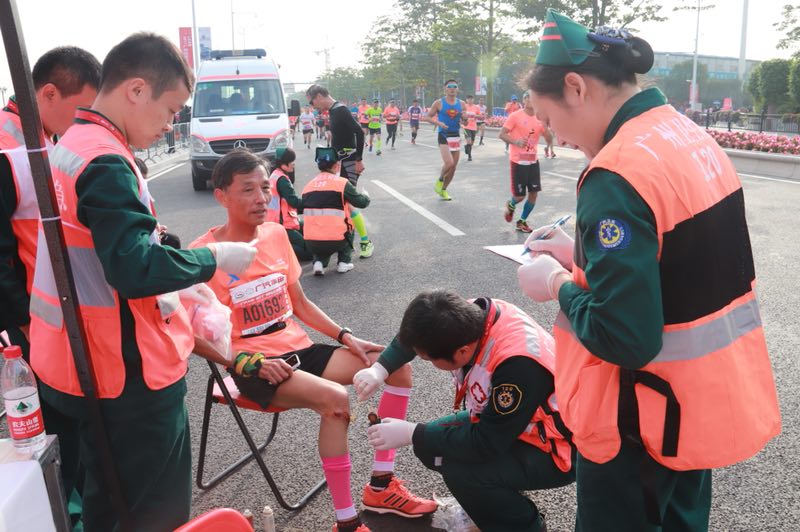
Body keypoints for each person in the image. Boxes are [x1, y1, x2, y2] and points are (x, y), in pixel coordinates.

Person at [516, 11, 781, 531]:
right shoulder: (686, 136)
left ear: (575, 87)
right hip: (695, 405)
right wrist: (584, 257)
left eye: (549, 119)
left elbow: (624, 336)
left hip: (637, 422)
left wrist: (555, 284)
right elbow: (679, 259)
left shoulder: (616, 173)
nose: (556, 136)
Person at [27, 33, 258, 531]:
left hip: (70, 360)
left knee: (102, 501)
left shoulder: (72, 143)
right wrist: (210, 258)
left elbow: (110, 237)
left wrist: (172, 252)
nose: (171, 123)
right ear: (136, 90)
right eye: (170, 109)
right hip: (125, 372)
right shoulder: (107, 160)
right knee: (151, 512)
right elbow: (133, 269)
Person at [190, 148, 437, 532]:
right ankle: (346, 523)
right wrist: (240, 362)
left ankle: (381, 486)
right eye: (247, 190)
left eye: (264, 188)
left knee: (395, 365)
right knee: (336, 400)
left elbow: (300, 304)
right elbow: (190, 335)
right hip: (252, 368)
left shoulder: (275, 235)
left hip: (299, 351)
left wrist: (345, 335)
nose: (261, 198)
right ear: (221, 195)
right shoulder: (201, 256)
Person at [357, 290, 575, 531]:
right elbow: (415, 338)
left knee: (461, 470)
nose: (423, 359)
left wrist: (412, 432)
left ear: (461, 351)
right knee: (431, 447)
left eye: (428, 359)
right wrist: (380, 369)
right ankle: (495, 506)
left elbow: (486, 443)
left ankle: (524, 526)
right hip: (519, 426)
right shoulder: (467, 316)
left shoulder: (517, 366)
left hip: (559, 448)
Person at [0, 45, 100, 529]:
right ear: (48, 92)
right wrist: (21, 318)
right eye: (81, 108)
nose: (86, 120)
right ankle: (64, 512)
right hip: (27, 321)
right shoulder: (9, 143)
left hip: (46, 314)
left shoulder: (42, 134)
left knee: (65, 418)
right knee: (49, 422)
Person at [307, 84, 375, 258]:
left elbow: (359, 133)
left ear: (319, 96)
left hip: (350, 161)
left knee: (347, 202)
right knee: (341, 202)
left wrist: (359, 159)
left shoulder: (341, 110)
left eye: (313, 102)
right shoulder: (333, 111)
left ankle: (365, 242)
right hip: (339, 162)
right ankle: (345, 242)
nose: (314, 107)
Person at [302, 147, 369, 275]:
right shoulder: (342, 183)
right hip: (337, 240)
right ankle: (344, 262)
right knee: (349, 223)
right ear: (337, 166)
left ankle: (318, 263)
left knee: (320, 231)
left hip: (311, 242)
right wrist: (366, 195)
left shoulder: (307, 186)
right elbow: (361, 202)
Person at [498, 90, 552, 233]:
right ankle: (511, 204)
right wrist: (515, 141)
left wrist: (547, 131)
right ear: (523, 100)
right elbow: (501, 134)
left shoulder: (541, 118)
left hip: (533, 160)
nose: (529, 99)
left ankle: (522, 221)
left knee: (534, 193)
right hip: (518, 161)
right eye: (526, 97)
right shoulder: (515, 116)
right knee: (520, 196)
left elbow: (549, 139)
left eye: (532, 97)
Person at [267, 147, 312, 261]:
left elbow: (288, 204)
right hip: (282, 225)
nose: (293, 164)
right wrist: (312, 202)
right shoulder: (282, 180)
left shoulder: (275, 175)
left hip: (279, 221)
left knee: (308, 227)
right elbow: (294, 201)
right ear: (283, 164)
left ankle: (279, 245)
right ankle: (278, 250)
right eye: (292, 162)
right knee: (309, 253)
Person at [425, 79, 464, 201]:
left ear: (457, 89)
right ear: (445, 89)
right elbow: (427, 117)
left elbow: (464, 119)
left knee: (454, 167)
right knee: (449, 163)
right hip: (444, 135)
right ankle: (440, 180)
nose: (452, 88)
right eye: (449, 86)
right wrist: (438, 123)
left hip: (455, 135)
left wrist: (466, 119)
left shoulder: (462, 104)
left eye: (455, 86)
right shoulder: (438, 103)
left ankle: (444, 190)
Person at [462, 94, 480, 162]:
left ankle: (467, 147)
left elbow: (480, 115)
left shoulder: (476, 107)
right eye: (468, 99)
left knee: (471, 143)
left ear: (473, 100)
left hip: (473, 127)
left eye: (471, 99)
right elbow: (460, 114)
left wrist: (475, 115)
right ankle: (469, 156)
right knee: (469, 140)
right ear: (466, 100)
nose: (470, 100)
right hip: (466, 126)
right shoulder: (464, 106)